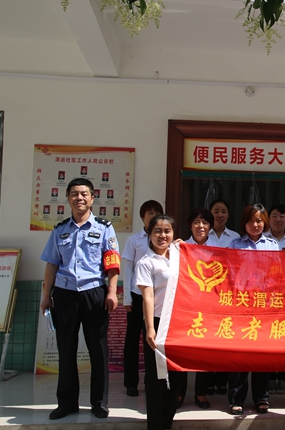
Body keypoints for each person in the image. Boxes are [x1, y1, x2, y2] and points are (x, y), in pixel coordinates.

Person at [40, 178, 120, 420]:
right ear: (68, 198)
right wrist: (46, 295)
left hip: (94, 293)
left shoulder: (104, 228)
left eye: (84, 194)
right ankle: (67, 403)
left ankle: (99, 403)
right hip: (64, 294)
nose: (79, 198)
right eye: (74, 194)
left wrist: (112, 291)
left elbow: (112, 261)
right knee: (66, 349)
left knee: (98, 349)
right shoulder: (59, 230)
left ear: (92, 198)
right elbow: (51, 264)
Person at [135, 214, 186, 430]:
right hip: (157, 323)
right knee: (156, 378)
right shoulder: (146, 262)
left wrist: (186, 247)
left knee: (176, 377)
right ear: (149, 234)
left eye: (167, 231)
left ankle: (167, 423)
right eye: (157, 231)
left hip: (178, 323)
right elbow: (147, 297)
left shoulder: (179, 256)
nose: (162, 235)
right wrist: (149, 328)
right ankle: (155, 425)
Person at [228, 204, 280, 415]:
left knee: (261, 354)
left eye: (259, 220)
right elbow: (230, 274)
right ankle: (236, 398)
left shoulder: (272, 245)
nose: (255, 224)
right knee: (239, 354)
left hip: (264, 306)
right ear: (244, 223)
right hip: (241, 305)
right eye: (250, 221)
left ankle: (261, 397)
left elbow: (277, 275)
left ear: (265, 222)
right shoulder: (235, 244)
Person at [178, 207, 222, 409]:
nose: (201, 226)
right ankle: (179, 393)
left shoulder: (219, 248)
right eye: (196, 222)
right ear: (190, 226)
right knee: (183, 349)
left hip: (210, 306)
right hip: (186, 305)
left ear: (210, 226)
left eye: (205, 222)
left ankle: (201, 393)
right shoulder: (181, 247)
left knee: (204, 351)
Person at [122, 200, 164, 398]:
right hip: (137, 296)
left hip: (157, 298)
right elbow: (127, 268)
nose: (153, 215)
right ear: (142, 216)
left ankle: (151, 381)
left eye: (157, 212)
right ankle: (131, 383)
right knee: (132, 340)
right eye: (149, 212)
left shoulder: (164, 238)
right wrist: (126, 297)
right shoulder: (134, 240)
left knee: (154, 340)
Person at [263, 204, 285, 394]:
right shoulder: (262, 239)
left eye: (282, 216)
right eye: (274, 215)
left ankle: (283, 377)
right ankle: (269, 377)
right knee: (268, 336)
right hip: (265, 297)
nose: (278, 219)